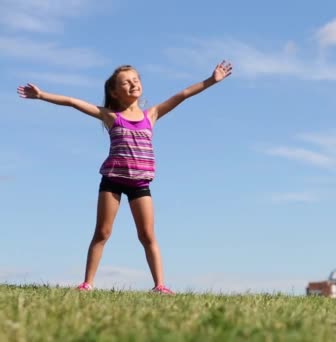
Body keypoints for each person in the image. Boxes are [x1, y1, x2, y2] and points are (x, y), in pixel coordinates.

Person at [17, 61, 233, 294]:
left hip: (140, 183)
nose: (133, 84)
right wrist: (42, 95)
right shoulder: (110, 116)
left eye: (136, 80)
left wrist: (211, 80)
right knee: (102, 232)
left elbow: (182, 95)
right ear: (114, 92)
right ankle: (87, 283)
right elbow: (72, 102)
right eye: (126, 82)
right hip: (112, 181)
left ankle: (159, 285)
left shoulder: (151, 114)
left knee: (147, 235)